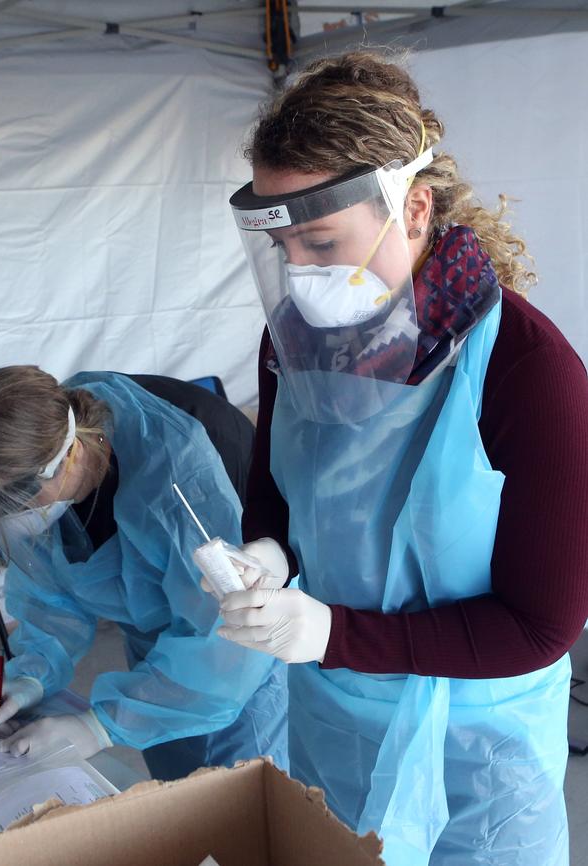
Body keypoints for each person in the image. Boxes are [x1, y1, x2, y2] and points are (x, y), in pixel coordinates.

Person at [212, 52, 588, 865]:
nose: (300, 274)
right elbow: (277, 484)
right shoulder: (294, 345)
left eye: (320, 241)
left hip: (477, 748)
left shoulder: (528, 369)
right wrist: (268, 549)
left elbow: (543, 623)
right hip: (336, 714)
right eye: (283, 248)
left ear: (413, 209)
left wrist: (332, 631)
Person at [0, 368, 287, 780]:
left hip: (242, 655)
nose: (10, 515)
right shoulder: (32, 454)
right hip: (159, 646)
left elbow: (226, 645)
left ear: (67, 457)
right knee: (176, 789)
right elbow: (48, 594)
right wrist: (33, 672)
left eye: (14, 499)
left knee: (243, 798)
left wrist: (98, 726)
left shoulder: (178, 480)